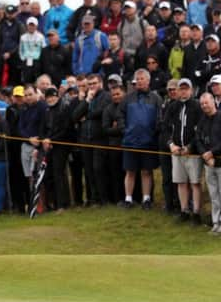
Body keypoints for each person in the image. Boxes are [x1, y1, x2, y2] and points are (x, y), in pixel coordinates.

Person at [117, 69, 162, 210]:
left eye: (142, 78)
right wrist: (124, 129)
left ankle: (146, 199)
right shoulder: (128, 98)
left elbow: (160, 118)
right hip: (130, 141)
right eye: (138, 79)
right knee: (130, 171)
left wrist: (153, 132)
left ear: (148, 81)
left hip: (148, 141)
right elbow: (119, 115)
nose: (140, 81)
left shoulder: (156, 98)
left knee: (146, 171)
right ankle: (128, 199)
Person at [194, 92, 221, 234]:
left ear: (213, 102)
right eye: (202, 104)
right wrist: (205, 155)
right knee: (214, 194)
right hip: (209, 164)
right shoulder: (202, 120)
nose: (204, 106)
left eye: (206, 102)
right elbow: (198, 139)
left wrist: (212, 153)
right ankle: (216, 221)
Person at [165, 78, 203, 223]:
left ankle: (196, 213)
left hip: (192, 152)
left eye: (186, 88)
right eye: (181, 88)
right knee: (181, 182)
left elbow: (199, 130)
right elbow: (166, 128)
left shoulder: (197, 106)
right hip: (176, 151)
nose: (184, 91)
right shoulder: (173, 107)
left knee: (195, 183)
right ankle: (184, 210)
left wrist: (190, 146)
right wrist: (171, 145)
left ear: (191, 90)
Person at [71, 73, 111, 206]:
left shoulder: (106, 96)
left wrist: (86, 116)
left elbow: (102, 112)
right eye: (90, 84)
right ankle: (94, 199)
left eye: (94, 83)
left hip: (100, 139)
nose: (92, 86)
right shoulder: (87, 98)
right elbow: (75, 116)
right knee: (89, 170)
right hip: (85, 139)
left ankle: (104, 199)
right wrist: (87, 101)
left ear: (100, 83)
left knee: (99, 169)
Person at [38, 87, 73, 210]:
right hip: (48, 146)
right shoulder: (46, 111)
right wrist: (44, 140)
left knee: (59, 174)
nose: (51, 99)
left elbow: (66, 129)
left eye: (53, 96)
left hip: (61, 145)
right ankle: (52, 203)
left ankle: (62, 204)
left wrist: (51, 140)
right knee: (49, 175)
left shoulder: (64, 109)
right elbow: (42, 128)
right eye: (49, 97)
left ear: (57, 97)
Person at [19, 17, 45, 84]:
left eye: (33, 25)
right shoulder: (23, 37)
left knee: (37, 80)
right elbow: (20, 50)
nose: (31, 27)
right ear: (27, 26)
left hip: (37, 61)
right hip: (26, 61)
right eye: (30, 25)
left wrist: (41, 59)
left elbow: (44, 49)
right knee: (26, 80)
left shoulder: (40, 37)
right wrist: (23, 58)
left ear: (36, 26)